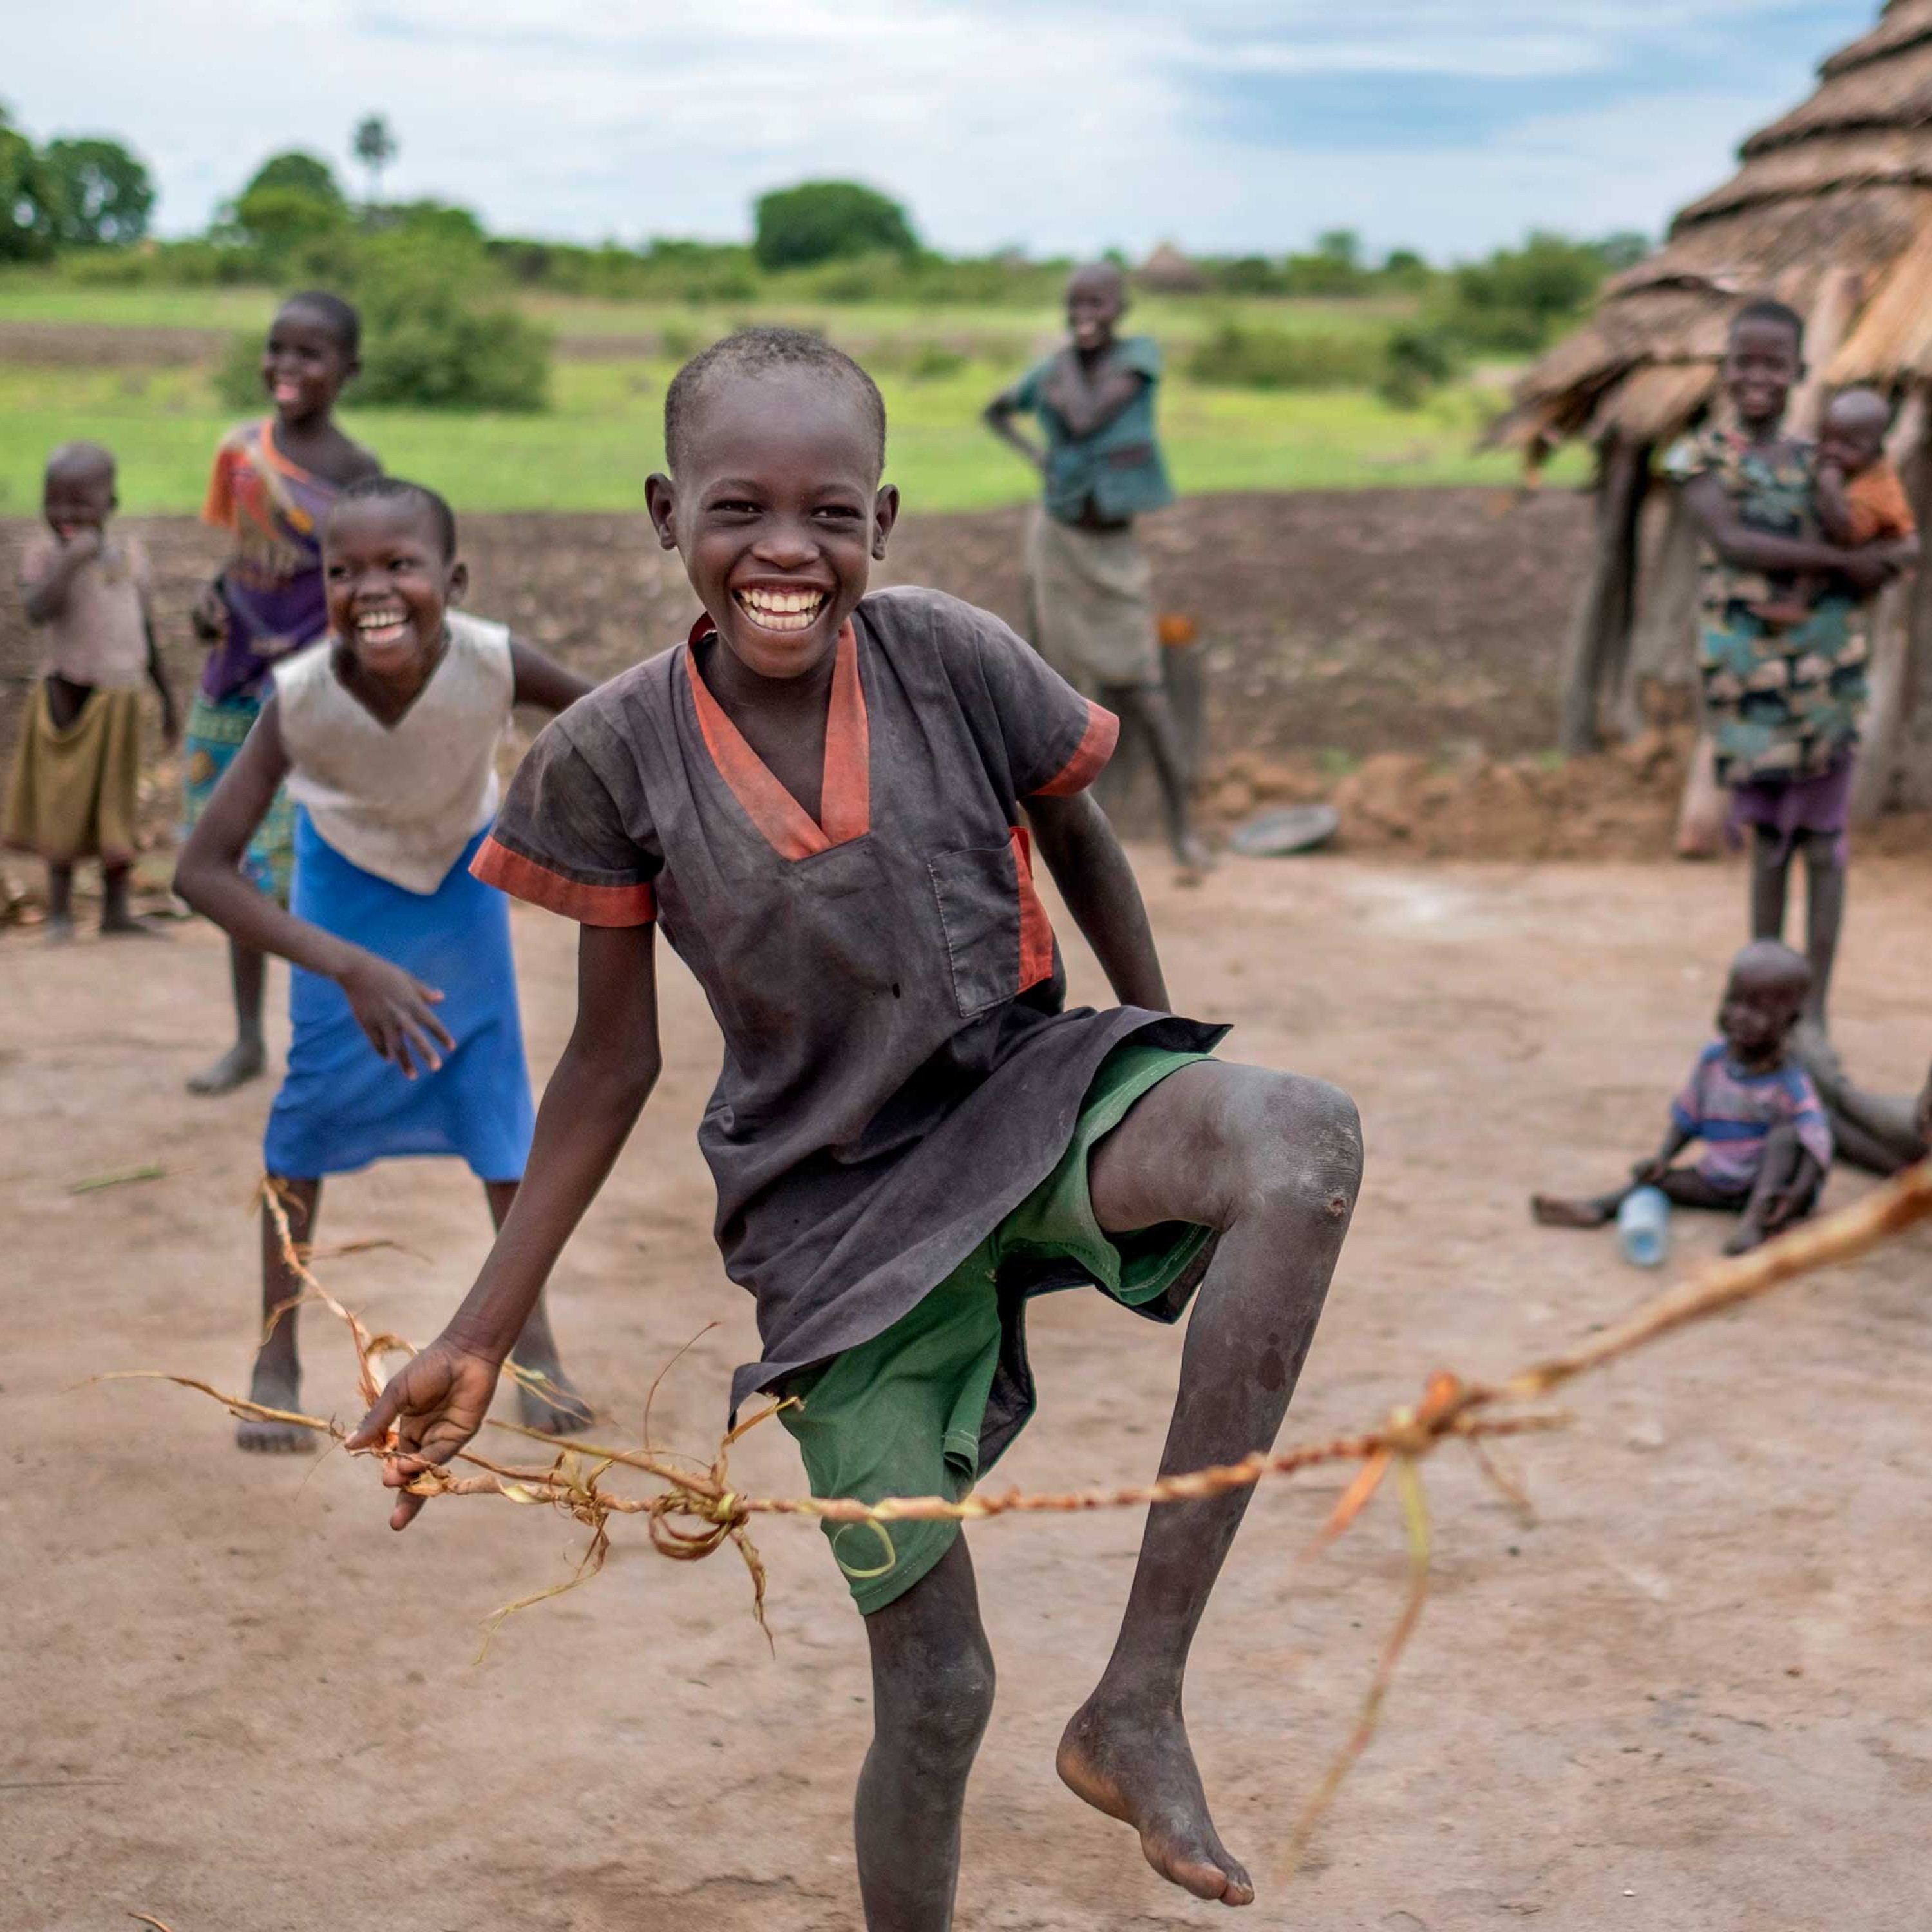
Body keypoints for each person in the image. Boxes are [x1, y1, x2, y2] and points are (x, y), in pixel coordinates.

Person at [346, 328, 1363, 1927]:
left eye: (830, 514)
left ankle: (1137, 1699)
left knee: (1296, 1137)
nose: (784, 551)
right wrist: (482, 1329)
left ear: (880, 523)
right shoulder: (607, 753)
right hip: (828, 1220)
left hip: (1028, 1096)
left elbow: (1081, 838)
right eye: (739, 508)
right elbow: (609, 1064)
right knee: (939, 1687)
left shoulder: (950, 656)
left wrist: (1149, 1052)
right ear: (664, 511)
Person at [175, 477, 594, 1452]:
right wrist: (347, 968)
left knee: (498, 1118)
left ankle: (530, 1346)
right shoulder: (300, 699)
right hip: (341, 905)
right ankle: (274, 1355)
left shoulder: (494, 662)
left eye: (399, 565)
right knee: (306, 1119)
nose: (373, 589)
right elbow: (201, 870)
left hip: (462, 889)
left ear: (452, 577)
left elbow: (617, 722)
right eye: (343, 570)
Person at [1665, 302, 1917, 1033]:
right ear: (1724, 367)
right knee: (1771, 844)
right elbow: (1734, 540)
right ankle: (1768, 1005)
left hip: (1826, 680)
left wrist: (1884, 557)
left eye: (1774, 363)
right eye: (1744, 360)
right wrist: (1847, 563)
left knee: (1826, 844)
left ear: (1799, 372)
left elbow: (1892, 537)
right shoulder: (1697, 458)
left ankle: (1818, 1014)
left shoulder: (1828, 459)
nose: (1757, 376)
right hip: (1749, 682)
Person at [182, 289, 381, 1096]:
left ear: (348, 370)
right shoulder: (239, 452)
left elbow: (367, 581)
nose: (287, 368)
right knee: (230, 867)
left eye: (310, 354)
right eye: (278, 349)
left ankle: (329, 1039)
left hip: (309, 694)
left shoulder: (361, 474)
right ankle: (245, 1038)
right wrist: (208, 597)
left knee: (309, 872)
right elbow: (240, 556)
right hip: (228, 685)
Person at [985, 263, 1210, 876]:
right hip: (1057, 542)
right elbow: (995, 411)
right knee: (1057, 683)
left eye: (1097, 303)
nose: (1085, 313)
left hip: (1114, 552)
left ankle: (1181, 829)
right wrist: (1040, 458)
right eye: (1075, 304)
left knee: (1143, 686)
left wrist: (1060, 365)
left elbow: (1085, 418)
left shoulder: (1138, 363)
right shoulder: (1057, 369)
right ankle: (1065, 837)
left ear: (1121, 307)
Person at [1532, 940, 1831, 1256]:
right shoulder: (1713, 1062)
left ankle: (1755, 1223)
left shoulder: (1789, 1082)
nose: (1740, 1016)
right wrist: (1663, 1159)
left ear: (1791, 1021)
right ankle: (1598, 1208)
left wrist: (1796, 1196)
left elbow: (1816, 1144)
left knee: (1786, 1135)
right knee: (1657, 1183)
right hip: (1720, 1183)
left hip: (1770, 1194)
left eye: (1758, 1009)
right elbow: (1689, 1117)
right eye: (1734, 1001)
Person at [5, 441, 178, 940]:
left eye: (81, 504)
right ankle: (59, 913)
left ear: (111, 505)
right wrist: (71, 560)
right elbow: (39, 610)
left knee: (115, 805)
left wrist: (167, 698)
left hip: (121, 700)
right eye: (54, 500)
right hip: (68, 699)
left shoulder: (131, 558)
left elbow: (147, 633)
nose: (65, 514)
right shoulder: (43, 556)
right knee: (65, 800)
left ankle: (115, 911)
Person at [1747, 386, 1915, 627]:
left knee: (1818, 527)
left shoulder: (1878, 488)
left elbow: (1845, 533)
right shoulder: (1842, 463)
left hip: (1877, 553)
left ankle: (1798, 602)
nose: (1832, 451)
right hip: (1853, 548)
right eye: (1826, 439)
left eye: (1850, 446)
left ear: (1877, 451)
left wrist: (1830, 488)